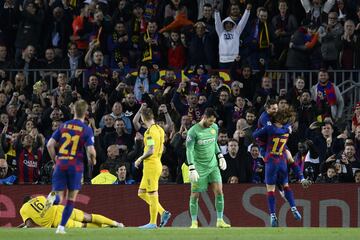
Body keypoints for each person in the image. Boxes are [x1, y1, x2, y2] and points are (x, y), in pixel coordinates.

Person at [45, 100, 97, 234]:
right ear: (86, 113)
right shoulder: (86, 129)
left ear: (73, 110)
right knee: (71, 198)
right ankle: (61, 228)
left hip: (61, 163)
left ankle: (51, 199)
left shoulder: (63, 125)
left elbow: (49, 145)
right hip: (75, 166)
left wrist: (55, 159)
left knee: (59, 197)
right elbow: (90, 150)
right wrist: (93, 159)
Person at [253, 110, 302, 227]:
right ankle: (294, 208)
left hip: (270, 160)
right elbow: (289, 123)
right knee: (286, 186)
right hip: (282, 159)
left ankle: (273, 215)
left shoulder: (270, 129)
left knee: (270, 190)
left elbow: (255, 135)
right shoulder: (287, 129)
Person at [186, 107, 230, 228]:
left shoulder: (214, 128)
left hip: (213, 166)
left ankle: (220, 220)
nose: (212, 123)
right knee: (195, 195)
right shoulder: (193, 132)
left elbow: (214, 143)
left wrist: (220, 155)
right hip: (199, 168)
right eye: (210, 121)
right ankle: (194, 222)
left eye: (213, 121)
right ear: (204, 117)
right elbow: (189, 150)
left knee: (219, 192)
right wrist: (191, 167)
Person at [134, 108, 171, 229]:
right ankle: (162, 212)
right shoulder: (160, 129)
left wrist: (140, 158)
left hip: (151, 164)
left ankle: (153, 222)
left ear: (143, 119)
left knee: (152, 193)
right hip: (156, 163)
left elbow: (150, 150)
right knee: (141, 193)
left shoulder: (149, 132)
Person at [19, 195, 123, 228]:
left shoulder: (23, 209)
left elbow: (28, 224)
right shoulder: (39, 197)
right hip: (60, 209)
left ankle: (106, 227)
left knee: (83, 226)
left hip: (56, 221)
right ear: (31, 198)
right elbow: (53, 201)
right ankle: (116, 223)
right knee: (89, 217)